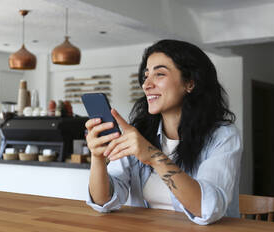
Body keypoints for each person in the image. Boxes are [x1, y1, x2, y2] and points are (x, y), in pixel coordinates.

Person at [85, 39, 242, 225]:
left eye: (159, 74)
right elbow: (103, 201)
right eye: (146, 76)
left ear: (190, 83)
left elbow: (206, 209)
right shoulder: (139, 133)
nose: (146, 84)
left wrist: (153, 156)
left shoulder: (223, 136)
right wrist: (98, 158)